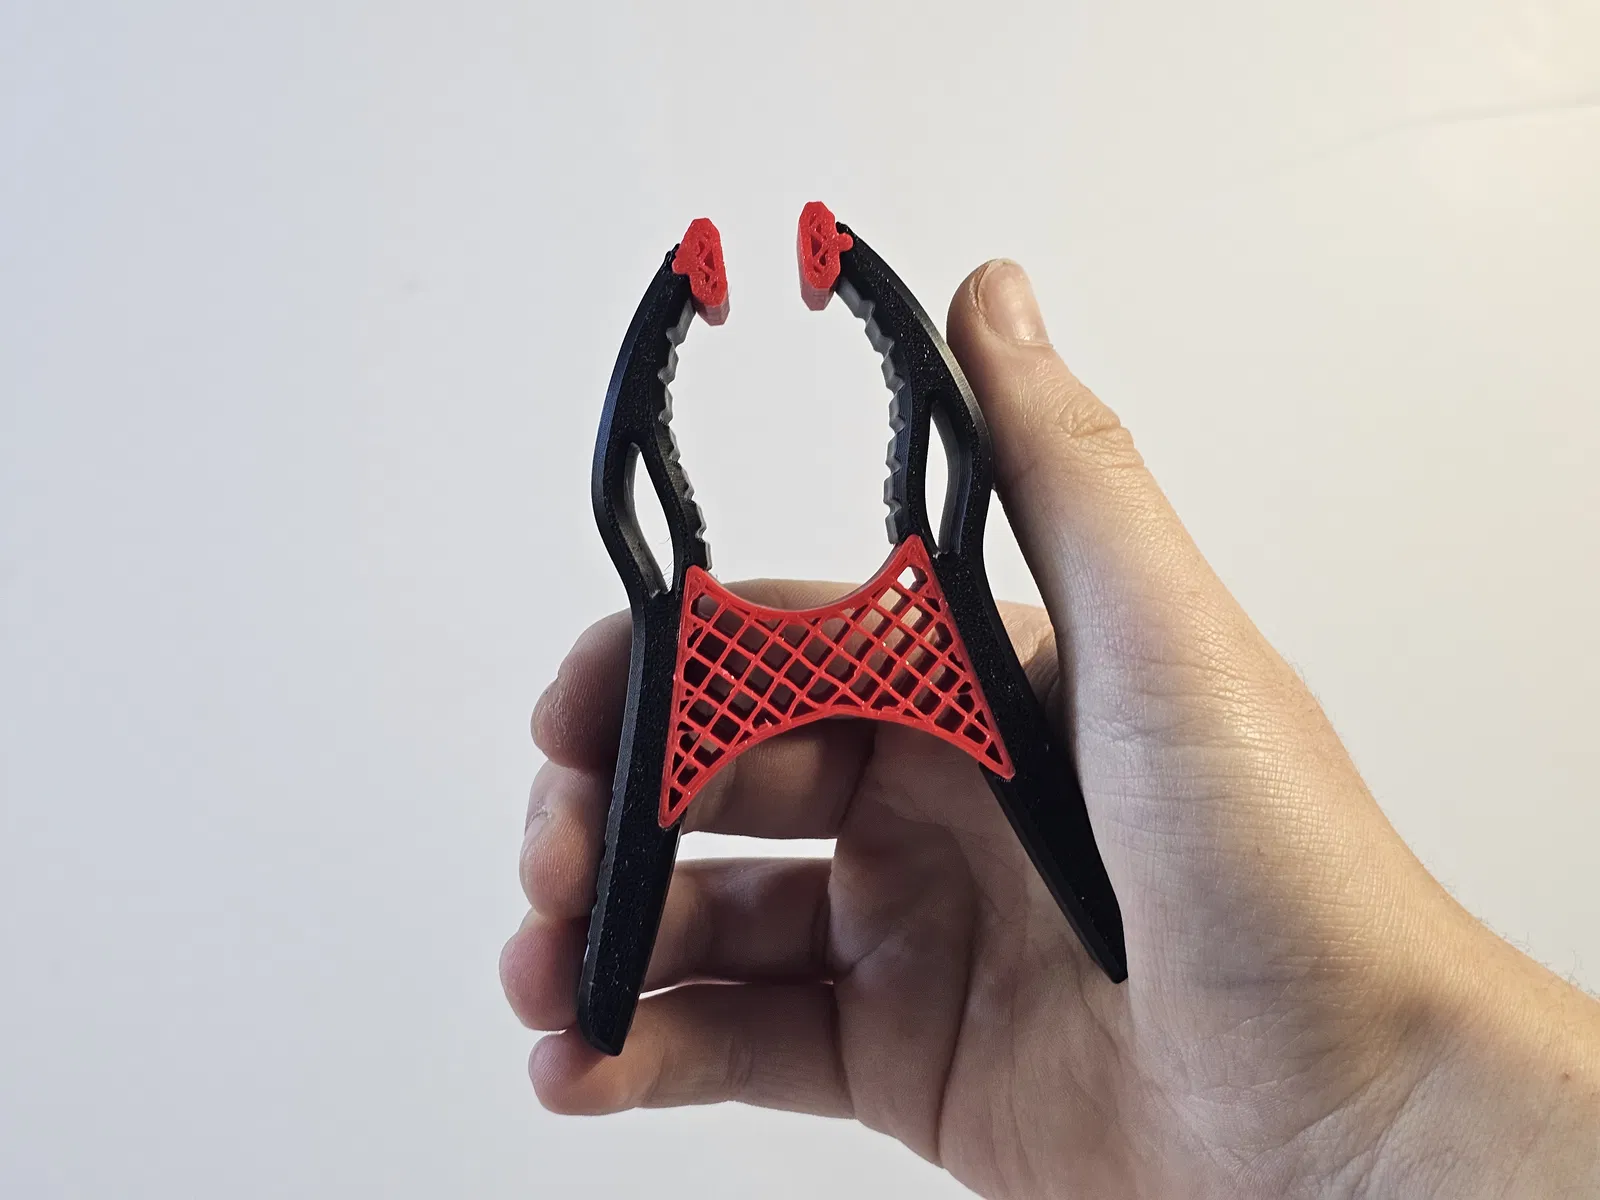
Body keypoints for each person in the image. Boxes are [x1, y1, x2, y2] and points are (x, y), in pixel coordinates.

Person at [501, 261, 1600, 1198]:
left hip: (869, 630)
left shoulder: (880, 611)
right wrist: (1387, 1111)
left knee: (596, 977)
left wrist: (1374, 1113)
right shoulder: (816, 619)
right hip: (845, 629)